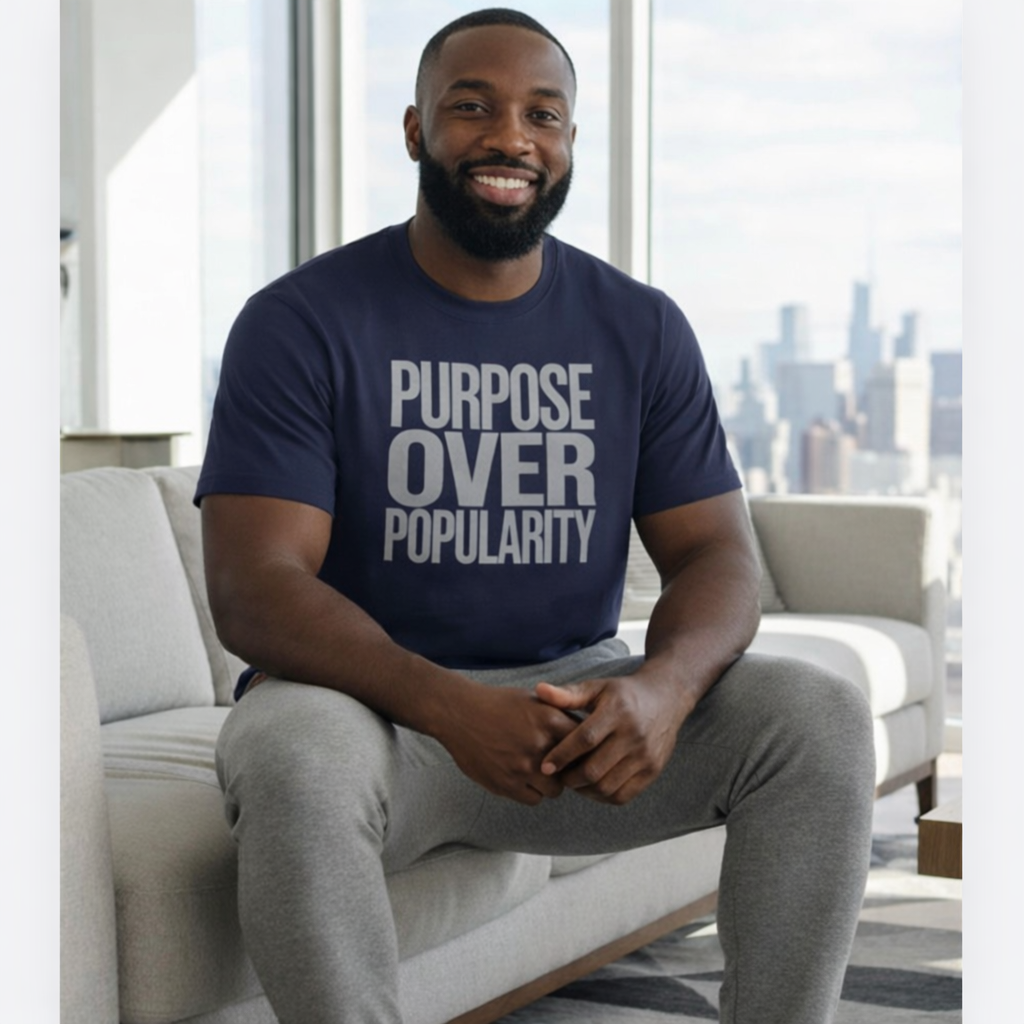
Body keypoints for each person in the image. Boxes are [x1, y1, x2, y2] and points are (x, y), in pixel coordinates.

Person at [196, 9, 875, 1023]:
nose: (510, 137)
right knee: (290, 750)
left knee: (815, 712)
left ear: (566, 145)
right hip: (373, 718)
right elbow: (256, 591)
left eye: (542, 116)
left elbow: (718, 557)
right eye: (471, 107)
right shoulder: (302, 322)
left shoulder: (638, 327)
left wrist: (663, 689)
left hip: (570, 718)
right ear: (416, 130)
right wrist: (445, 706)